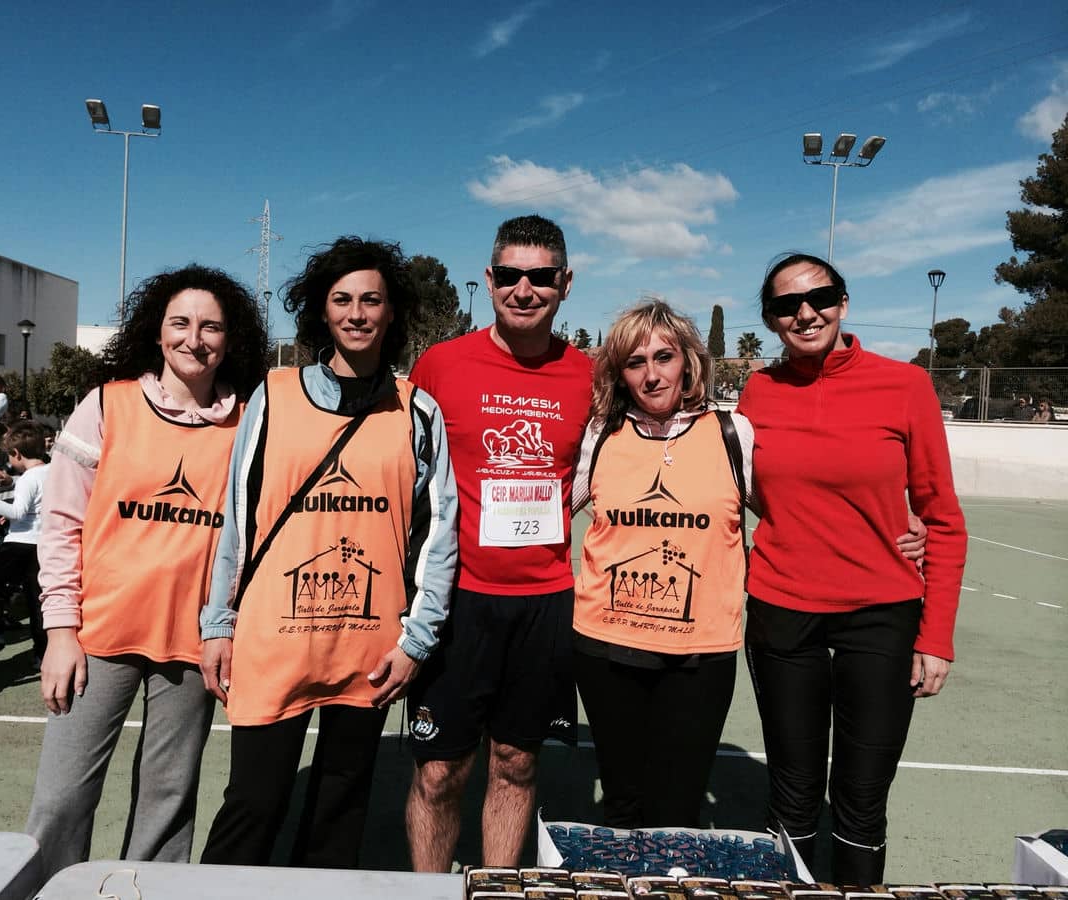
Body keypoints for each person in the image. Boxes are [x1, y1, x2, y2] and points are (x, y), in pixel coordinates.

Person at [571, 300, 927, 830]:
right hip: (605, 646)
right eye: (635, 362)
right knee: (622, 801)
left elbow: (796, 506)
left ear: (688, 361)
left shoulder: (734, 434)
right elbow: (547, 508)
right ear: (619, 373)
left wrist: (897, 526)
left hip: (700, 652)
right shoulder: (602, 434)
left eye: (664, 357)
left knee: (678, 809)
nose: (651, 375)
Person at [199, 237, 457, 869]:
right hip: (274, 641)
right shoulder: (274, 394)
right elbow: (239, 518)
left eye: (372, 299)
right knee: (253, 806)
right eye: (342, 299)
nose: (357, 313)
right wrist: (217, 624)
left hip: (367, 649)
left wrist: (417, 639)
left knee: (341, 806)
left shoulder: (417, 411)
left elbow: (437, 535)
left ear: (392, 313)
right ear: (321, 310)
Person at [25, 264, 269, 878]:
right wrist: (59, 631)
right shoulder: (109, 404)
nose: (195, 338)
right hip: (96, 637)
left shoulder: (250, 423)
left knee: (168, 802)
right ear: (155, 332)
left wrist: (228, 626)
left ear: (231, 339)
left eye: (211, 326)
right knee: (61, 800)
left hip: (194, 644)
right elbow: (60, 525)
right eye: (180, 322)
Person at [737, 252, 967, 886]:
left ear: (843, 302)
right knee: (793, 794)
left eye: (820, 297)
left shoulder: (905, 385)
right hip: (782, 612)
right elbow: (750, 489)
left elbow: (941, 517)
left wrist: (937, 635)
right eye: (787, 305)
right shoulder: (757, 390)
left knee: (862, 803)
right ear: (771, 318)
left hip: (881, 617)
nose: (805, 313)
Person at [405, 215, 593, 870]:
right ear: (489, 279)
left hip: (545, 603)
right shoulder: (440, 364)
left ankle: (495, 889)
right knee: (439, 773)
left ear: (565, 284)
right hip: (457, 600)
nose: (524, 289)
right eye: (510, 275)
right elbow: (402, 473)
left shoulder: (587, 377)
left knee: (514, 764)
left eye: (541, 277)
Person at [0, 422, 49, 663]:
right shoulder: (53, 472)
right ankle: (42, 653)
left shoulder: (29, 477)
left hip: (19, 542)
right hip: (43, 543)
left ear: (16, 453)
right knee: (36, 598)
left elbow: (18, 512)